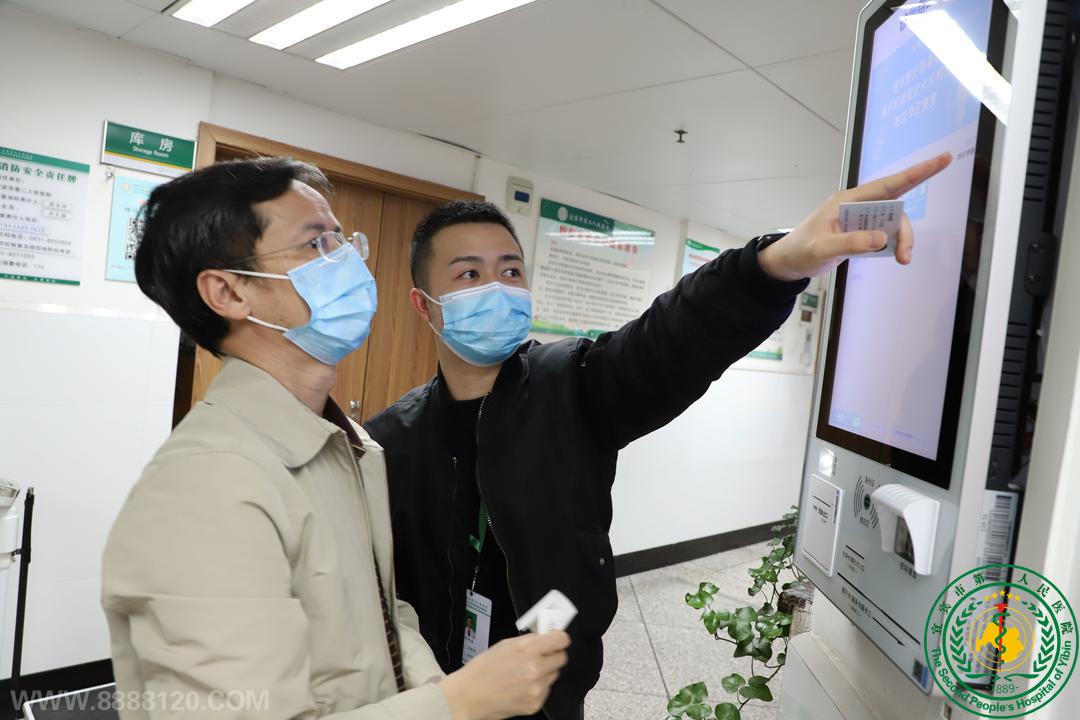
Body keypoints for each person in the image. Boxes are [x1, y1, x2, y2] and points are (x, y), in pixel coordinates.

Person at [365, 153, 953, 719]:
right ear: (424, 305)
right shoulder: (387, 443)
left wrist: (772, 266)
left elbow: (669, 339)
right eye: (469, 274)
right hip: (432, 699)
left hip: (542, 695)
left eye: (511, 270)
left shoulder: (569, 385)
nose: (497, 286)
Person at [102, 157, 569, 720]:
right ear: (228, 292)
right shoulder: (205, 485)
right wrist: (455, 704)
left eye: (342, 240)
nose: (348, 262)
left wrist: (443, 688)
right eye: (316, 244)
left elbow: (383, 618)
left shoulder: (349, 446)